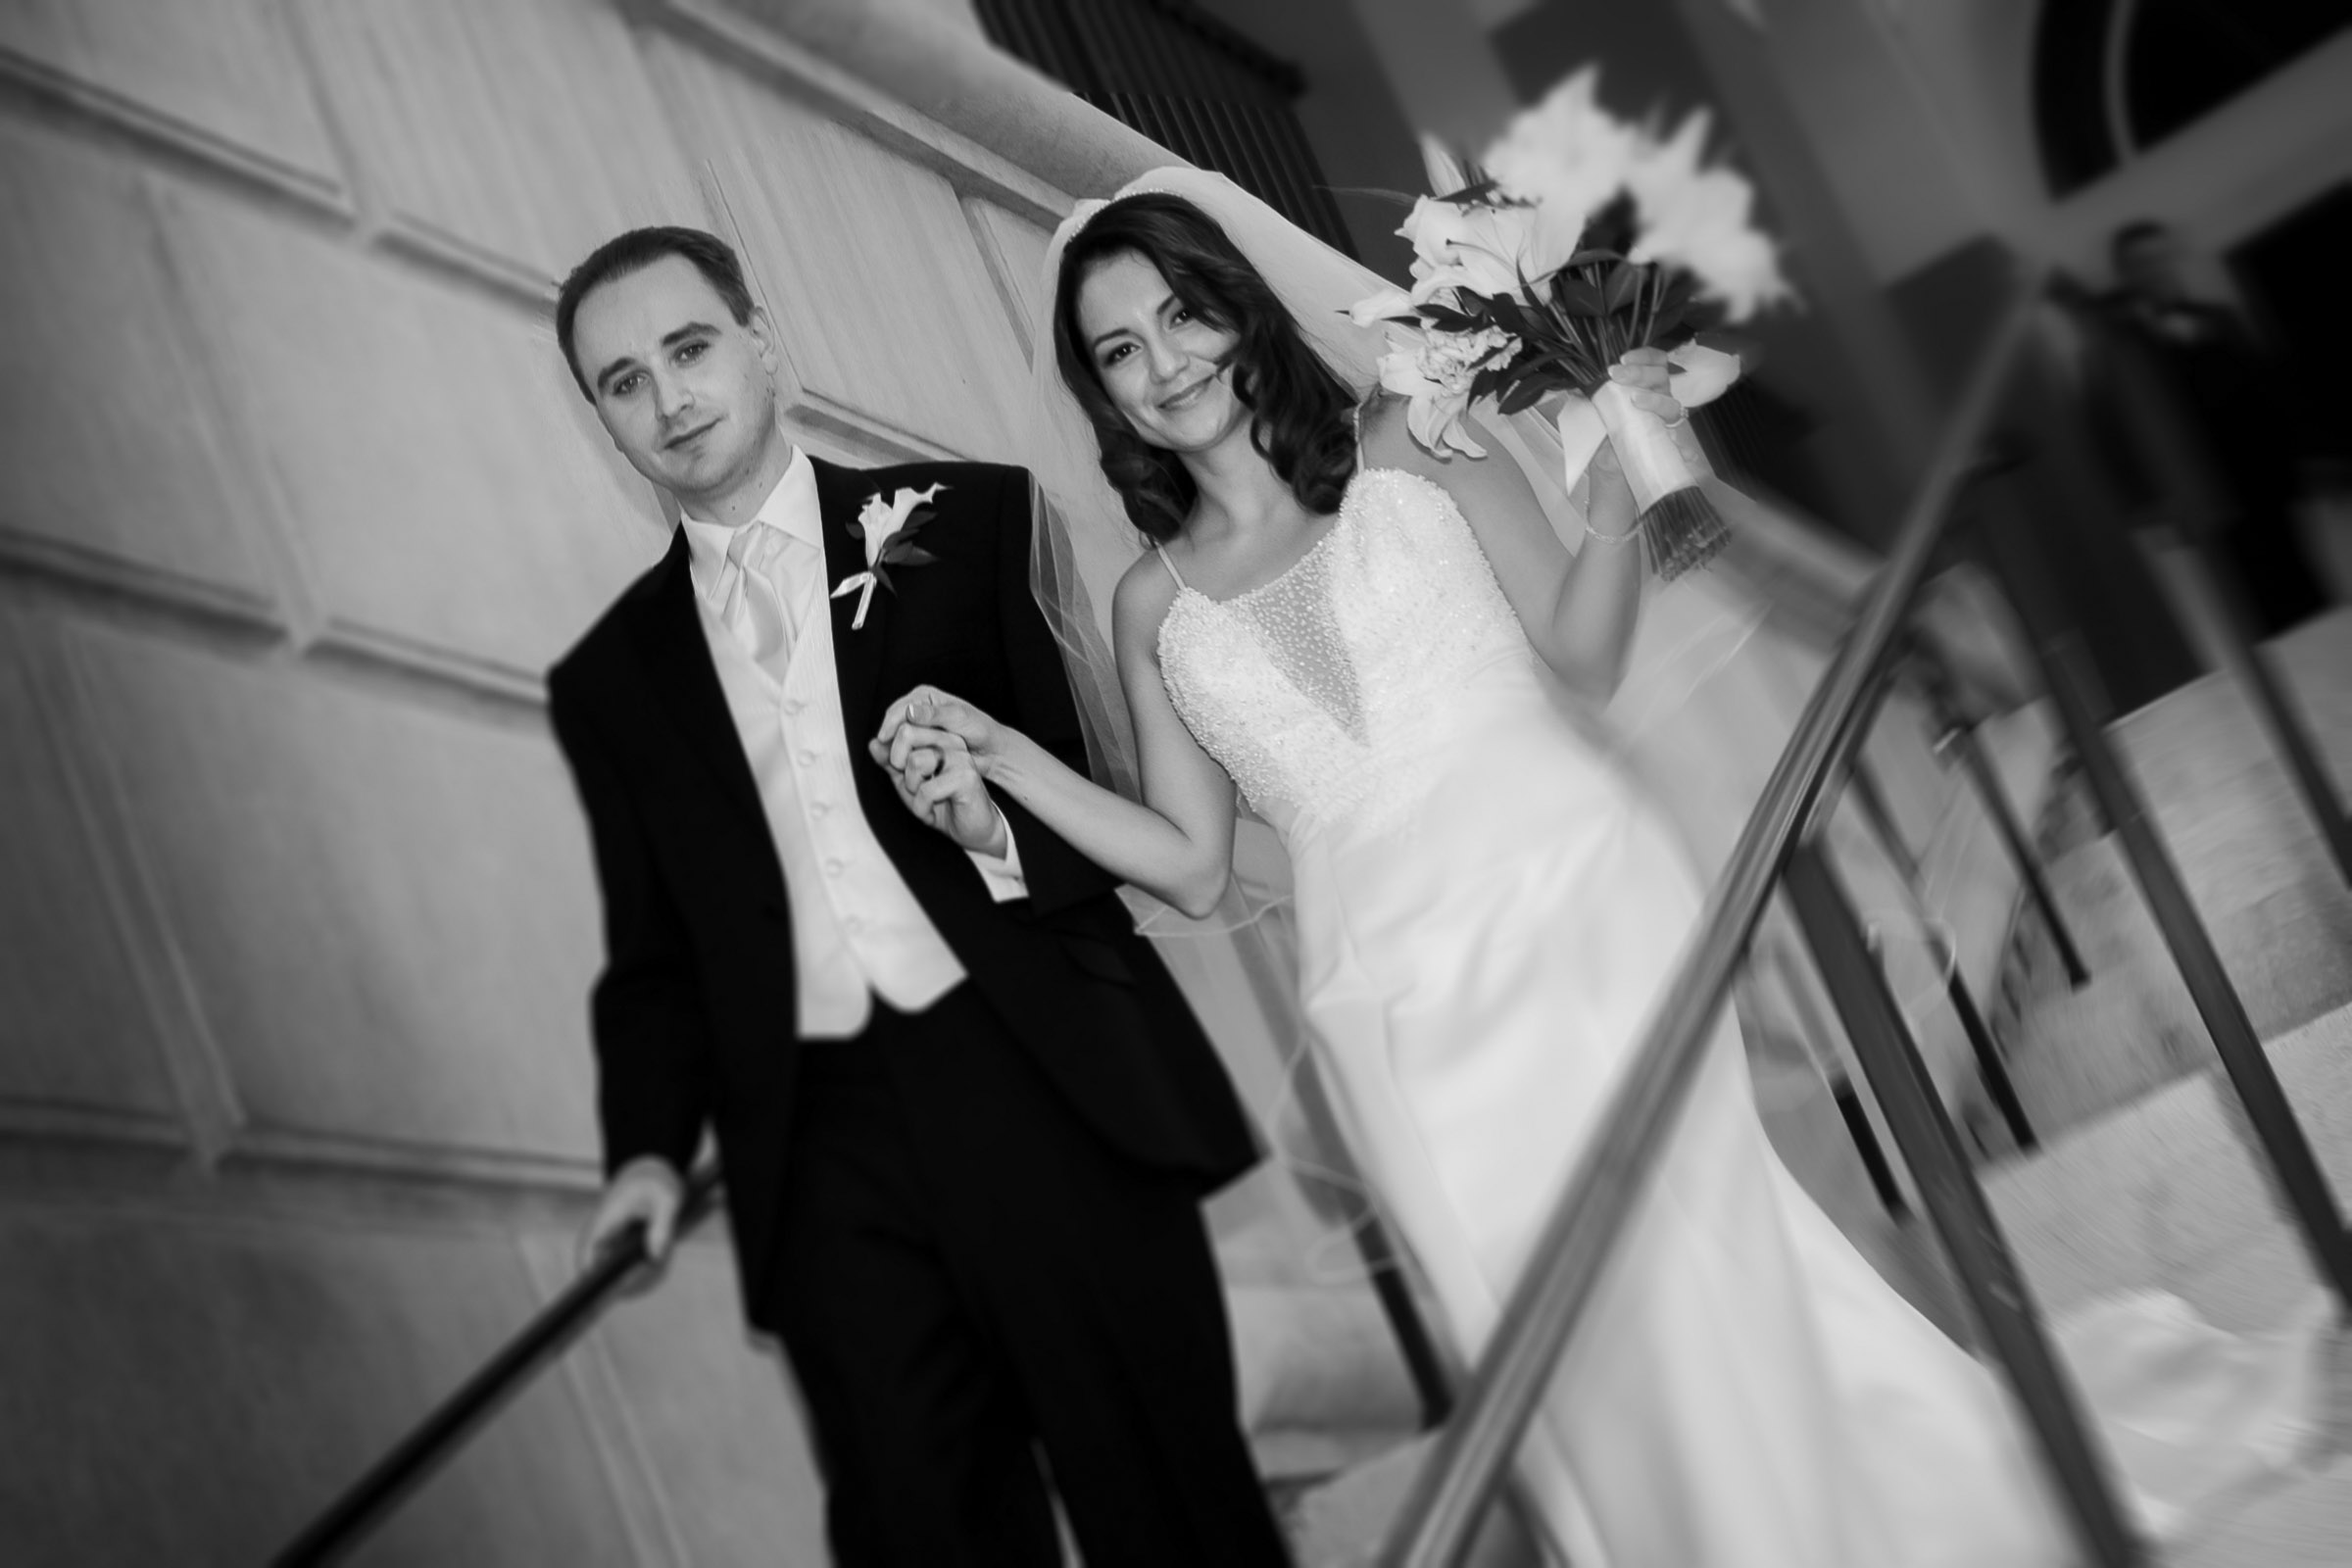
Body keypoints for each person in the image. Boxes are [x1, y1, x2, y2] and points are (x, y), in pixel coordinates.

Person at [869, 176, 2082, 1567]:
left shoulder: (1416, 441)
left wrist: (1613, 485)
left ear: (1238, 309)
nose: (1165, 363)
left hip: (1575, 895)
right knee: (1533, 1323)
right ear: (1101, 397)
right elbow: (1195, 869)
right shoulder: (1151, 605)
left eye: (1180, 315)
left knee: (1687, 1249)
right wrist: (1009, 766)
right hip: (1385, 1001)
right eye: (1120, 351)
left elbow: (1584, 657)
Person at [544, 224, 1290, 1568]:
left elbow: (1108, 807)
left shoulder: (973, 518)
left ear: (761, 344)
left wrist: (992, 832)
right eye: (623, 381)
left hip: (1041, 1074)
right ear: (602, 418)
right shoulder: (608, 680)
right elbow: (653, 958)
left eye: (689, 348)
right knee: (919, 1532)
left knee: (1166, 1500)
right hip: (818, 1153)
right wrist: (646, 1152)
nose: (668, 398)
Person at [2096, 219, 2326, 636]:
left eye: (2161, 257)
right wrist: (2151, 504)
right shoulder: (2122, 347)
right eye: (2142, 262)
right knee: (2251, 606)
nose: (2156, 269)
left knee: (2303, 584)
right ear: (2125, 273)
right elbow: (2117, 433)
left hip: (2264, 476)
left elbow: (2268, 390)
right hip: (2202, 488)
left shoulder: (2219, 318)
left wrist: (2302, 460)